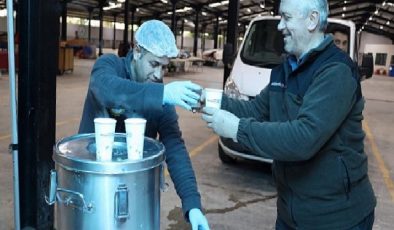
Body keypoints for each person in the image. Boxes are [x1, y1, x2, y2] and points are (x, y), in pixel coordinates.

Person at [201, 0, 376, 229]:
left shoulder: (336, 71)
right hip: (290, 212)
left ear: (312, 20)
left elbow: (304, 138)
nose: (280, 26)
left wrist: (237, 129)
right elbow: (254, 110)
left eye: (287, 18)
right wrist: (204, 98)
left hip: (336, 218)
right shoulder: (284, 70)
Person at [78, 20, 209, 230]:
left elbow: (174, 147)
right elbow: (105, 89)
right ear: (137, 51)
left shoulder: (159, 93)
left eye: (164, 67)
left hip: (136, 193)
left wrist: (192, 204)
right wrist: (162, 94)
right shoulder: (110, 65)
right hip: (93, 189)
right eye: (154, 64)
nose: (159, 75)